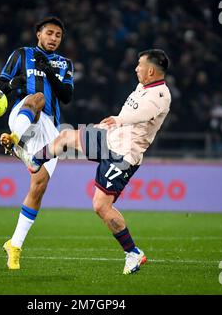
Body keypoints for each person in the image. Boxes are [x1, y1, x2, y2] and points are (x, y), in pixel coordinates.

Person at [16, 49, 171, 274]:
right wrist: (110, 125)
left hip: (124, 154)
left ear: (150, 70)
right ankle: (34, 159)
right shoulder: (142, 86)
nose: (136, 68)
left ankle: (133, 253)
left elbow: (142, 114)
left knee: (101, 206)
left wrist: (118, 119)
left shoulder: (160, 95)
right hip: (111, 138)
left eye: (139, 65)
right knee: (65, 137)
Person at [0, 17, 74, 269]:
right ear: (38, 34)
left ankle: (15, 245)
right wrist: (12, 85)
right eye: (49, 33)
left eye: (58, 35)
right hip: (24, 113)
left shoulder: (64, 63)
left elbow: (67, 96)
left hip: (49, 126)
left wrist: (50, 71)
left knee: (38, 186)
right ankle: (15, 140)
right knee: (37, 96)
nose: (53, 38)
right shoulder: (21, 54)